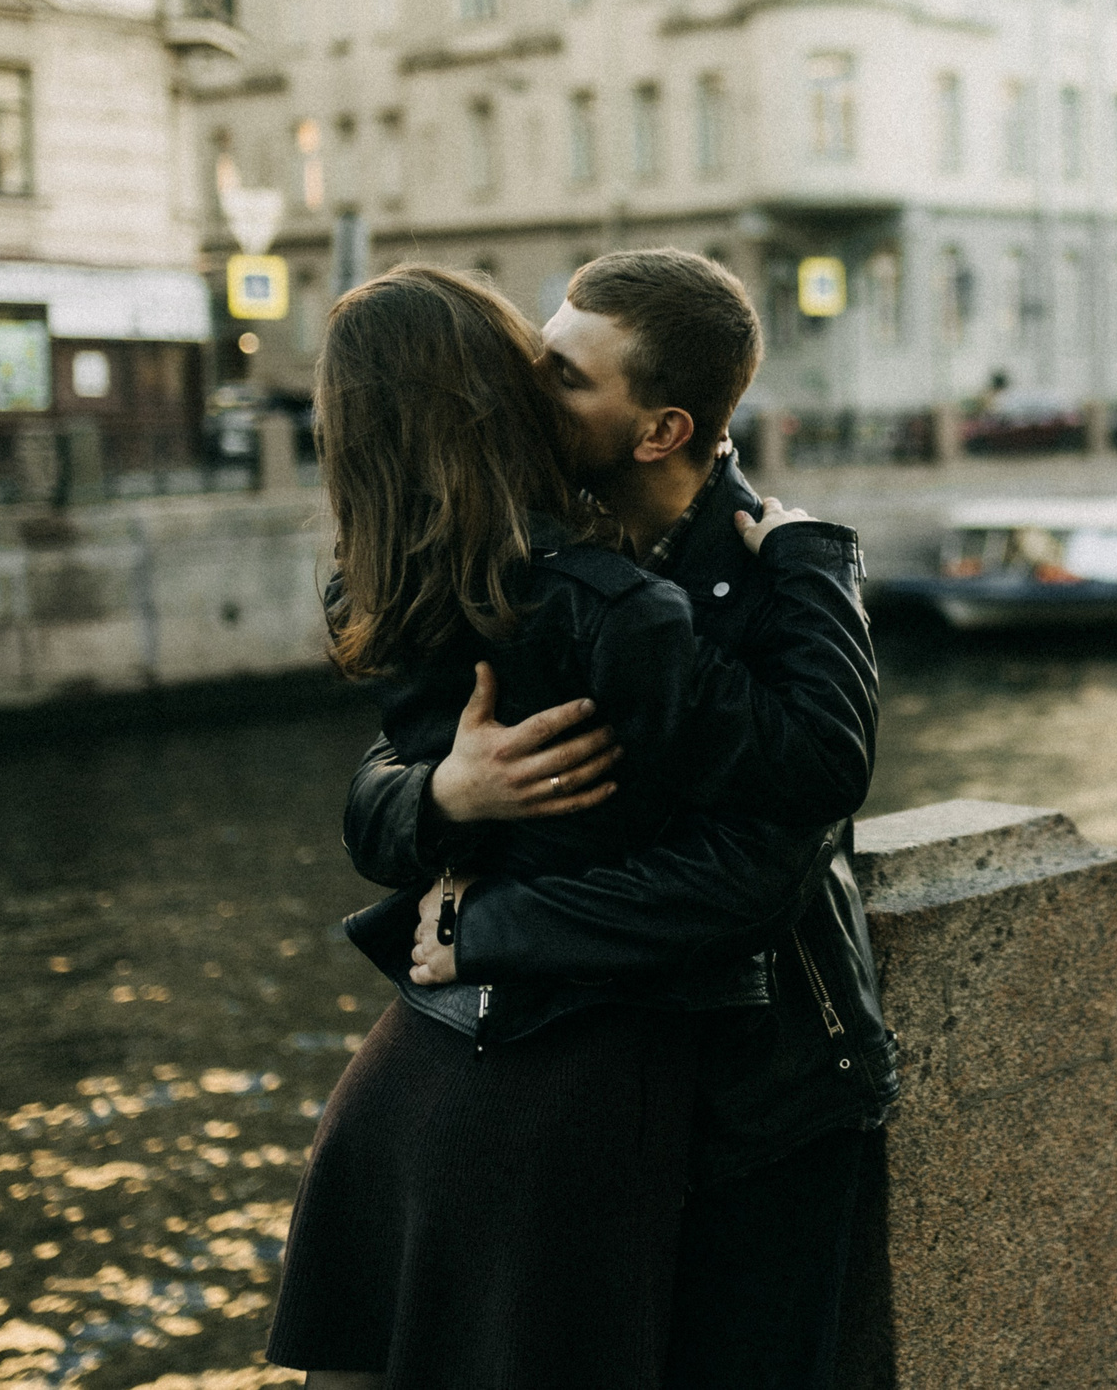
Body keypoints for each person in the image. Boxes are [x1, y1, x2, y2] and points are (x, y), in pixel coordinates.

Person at [266, 264, 880, 1389]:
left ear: (659, 429)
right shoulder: (527, 551)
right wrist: (447, 795)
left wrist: (492, 928)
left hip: (762, 1084)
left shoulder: (759, 577)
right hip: (590, 1065)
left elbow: (763, 861)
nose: (520, 391)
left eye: (556, 374)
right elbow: (387, 775)